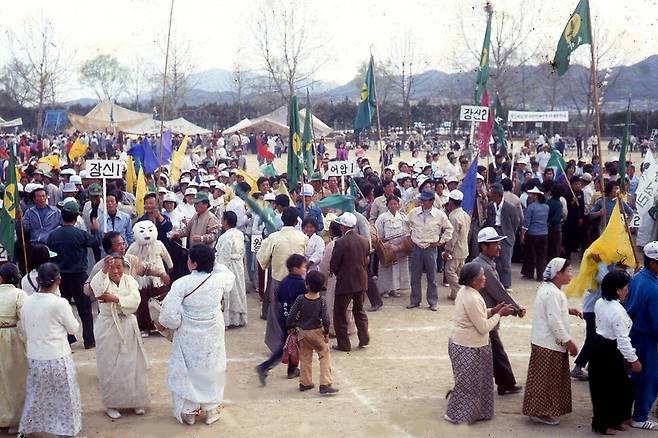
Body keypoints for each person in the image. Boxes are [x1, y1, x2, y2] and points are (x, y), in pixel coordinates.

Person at [158, 245, 236, 426]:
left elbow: (168, 317)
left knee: (188, 370)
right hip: (213, 333)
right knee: (212, 368)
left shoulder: (181, 283)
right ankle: (211, 410)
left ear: (192, 264)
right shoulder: (220, 279)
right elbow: (228, 275)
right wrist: (212, 262)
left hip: (188, 336)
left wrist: (176, 324)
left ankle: (190, 412)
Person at [445, 262, 514, 424]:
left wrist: (494, 310)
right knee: (468, 386)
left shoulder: (467, 292)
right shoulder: (472, 297)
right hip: (468, 347)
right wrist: (500, 314)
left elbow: (479, 315)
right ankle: (455, 415)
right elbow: (483, 327)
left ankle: (476, 413)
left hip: (469, 346)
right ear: (473, 280)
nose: (484, 278)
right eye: (481, 276)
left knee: (476, 384)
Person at [19, 263, 81, 437]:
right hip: (57, 356)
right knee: (66, 397)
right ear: (59, 280)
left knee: (35, 395)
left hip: (35, 357)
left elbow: (24, 328)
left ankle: (28, 429)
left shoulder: (27, 302)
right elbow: (73, 328)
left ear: (38, 280)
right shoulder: (60, 303)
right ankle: (67, 432)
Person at [522, 258, 582, 426]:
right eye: (568, 271)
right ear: (558, 273)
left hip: (544, 342)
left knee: (545, 379)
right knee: (546, 381)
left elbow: (553, 311)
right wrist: (569, 342)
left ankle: (539, 410)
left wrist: (568, 310)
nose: (571, 274)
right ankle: (540, 412)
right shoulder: (552, 293)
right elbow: (554, 320)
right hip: (548, 344)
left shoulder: (549, 289)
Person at [90, 254, 149, 420]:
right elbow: (98, 292)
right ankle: (111, 404)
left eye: (119, 267)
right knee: (109, 365)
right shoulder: (100, 279)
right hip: (108, 325)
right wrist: (103, 271)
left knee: (132, 363)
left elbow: (135, 300)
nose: (115, 271)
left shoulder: (129, 280)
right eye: (111, 267)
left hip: (128, 324)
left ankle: (136, 400)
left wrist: (115, 298)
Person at [472, 227, 525, 396]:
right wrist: (516, 309)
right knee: (496, 352)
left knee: (492, 352)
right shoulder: (484, 268)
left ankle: (504, 383)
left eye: (498, 243)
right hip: (485, 317)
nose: (499, 246)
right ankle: (506, 383)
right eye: (494, 244)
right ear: (483, 247)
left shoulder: (482, 264)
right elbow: (499, 292)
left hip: (483, 315)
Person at [589, 270, 639, 435]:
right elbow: (623, 340)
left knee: (612, 387)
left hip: (598, 346)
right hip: (609, 349)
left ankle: (615, 419)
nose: (628, 290)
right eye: (626, 287)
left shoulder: (600, 302)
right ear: (618, 290)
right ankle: (603, 424)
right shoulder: (617, 311)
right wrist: (633, 359)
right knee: (608, 389)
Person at [47, 198, 101, 349]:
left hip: (60, 278)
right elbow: (96, 244)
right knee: (85, 311)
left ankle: (68, 340)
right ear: (77, 216)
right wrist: (95, 230)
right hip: (79, 276)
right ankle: (89, 340)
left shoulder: (53, 235)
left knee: (62, 310)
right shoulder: (81, 234)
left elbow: (48, 253)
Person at [256, 207, 307, 353]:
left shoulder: (273, 237)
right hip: (298, 281)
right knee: (297, 313)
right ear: (297, 221)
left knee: (277, 312)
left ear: (282, 220)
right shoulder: (303, 237)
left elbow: (262, 259)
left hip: (279, 280)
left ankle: (278, 344)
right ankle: (297, 343)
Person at [256, 254, 307, 384]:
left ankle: (292, 369)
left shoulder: (284, 281)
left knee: (291, 343)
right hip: (293, 319)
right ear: (295, 269)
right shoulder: (301, 284)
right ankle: (264, 367)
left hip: (283, 315)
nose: (305, 269)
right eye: (303, 267)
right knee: (288, 345)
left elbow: (278, 298)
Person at [286, 270, 338, 395]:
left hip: (303, 333)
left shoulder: (300, 299)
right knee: (324, 354)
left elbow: (292, 315)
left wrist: (290, 326)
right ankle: (325, 383)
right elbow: (325, 319)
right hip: (316, 333)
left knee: (305, 357)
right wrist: (326, 332)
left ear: (306, 284)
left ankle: (305, 382)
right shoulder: (322, 300)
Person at [625, 242, 658, 430]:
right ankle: (640, 416)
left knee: (635, 376)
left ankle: (625, 412)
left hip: (633, 333)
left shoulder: (637, 277)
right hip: (647, 337)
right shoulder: (653, 288)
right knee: (649, 377)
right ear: (653, 263)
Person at [406, 189, 454, 310]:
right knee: (415, 276)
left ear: (432, 201)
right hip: (416, 247)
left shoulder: (439, 214)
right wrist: (409, 237)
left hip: (430, 248)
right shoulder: (414, 212)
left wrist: (440, 242)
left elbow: (449, 229)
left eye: (425, 200)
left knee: (432, 277)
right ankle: (415, 300)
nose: (422, 201)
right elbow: (405, 223)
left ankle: (432, 301)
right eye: (421, 199)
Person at [330, 212, 370, 352]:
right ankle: (364, 338)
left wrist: (339, 273)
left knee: (340, 313)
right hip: (361, 280)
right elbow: (366, 260)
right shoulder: (364, 240)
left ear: (343, 226)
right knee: (359, 310)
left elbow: (334, 264)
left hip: (345, 282)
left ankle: (344, 344)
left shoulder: (340, 243)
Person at [0, 263, 27, 434]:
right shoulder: (19, 294)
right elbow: (24, 320)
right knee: (15, 379)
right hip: (13, 339)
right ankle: (15, 419)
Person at [215, 211, 247, 328]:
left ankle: (228, 320)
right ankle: (238, 318)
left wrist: (219, 268)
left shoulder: (225, 237)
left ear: (226, 222)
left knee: (229, 291)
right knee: (238, 290)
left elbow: (224, 256)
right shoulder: (239, 234)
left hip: (229, 266)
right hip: (238, 265)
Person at [485, 183, 520, 290]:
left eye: (492, 193)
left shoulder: (510, 207)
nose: (489, 195)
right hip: (494, 232)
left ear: (497, 195)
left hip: (505, 234)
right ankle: (497, 283)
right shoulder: (490, 206)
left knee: (506, 261)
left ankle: (507, 284)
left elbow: (516, 221)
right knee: (495, 260)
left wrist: (510, 233)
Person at [375, 195, 411, 298]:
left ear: (398, 205)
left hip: (400, 246)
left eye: (395, 204)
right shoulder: (382, 218)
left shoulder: (403, 217)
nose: (393, 206)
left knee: (398, 268)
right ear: (387, 205)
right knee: (386, 268)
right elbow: (378, 233)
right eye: (391, 204)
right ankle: (385, 290)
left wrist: (403, 245)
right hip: (387, 246)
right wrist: (383, 244)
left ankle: (394, 289)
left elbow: (407, 231)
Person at [444, 190, 470, 300]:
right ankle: (456, 293)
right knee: (460, 273)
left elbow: (452, 237)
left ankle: (459, 292)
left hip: (456, 249)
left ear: (451, 202)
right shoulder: (465, 215)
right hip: (463, 248)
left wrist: (447, 250)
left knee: (449, 271)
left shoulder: (454, 217)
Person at [520, 186, 549, 281]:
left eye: (531, 194)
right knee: (542, 255)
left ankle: (529, 273)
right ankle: (541, 275)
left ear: (536, 196)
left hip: (533, 234)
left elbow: (526, 223)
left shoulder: (531, 208)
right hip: (544, 234)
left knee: (530, 255)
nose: (529, 196)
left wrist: (523, 234)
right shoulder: (546, 207)